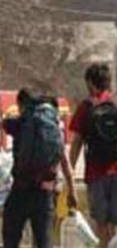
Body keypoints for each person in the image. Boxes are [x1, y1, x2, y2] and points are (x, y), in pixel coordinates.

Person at [68, 63, 117, 248]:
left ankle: (104, 245)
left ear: (91, 83)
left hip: (96, 171)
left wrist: (70, 171)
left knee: (100, 222)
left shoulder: (86, 106)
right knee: (115, 222)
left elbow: (76, 143)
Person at [3, 90, 78, 248]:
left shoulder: (22, 122)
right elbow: (65, 163)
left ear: (22, 104)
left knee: (11, 238)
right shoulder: (54, 128)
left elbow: (6, 124)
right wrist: (72, 192)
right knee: (44, 242)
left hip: (20, 190)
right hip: (45, 193)